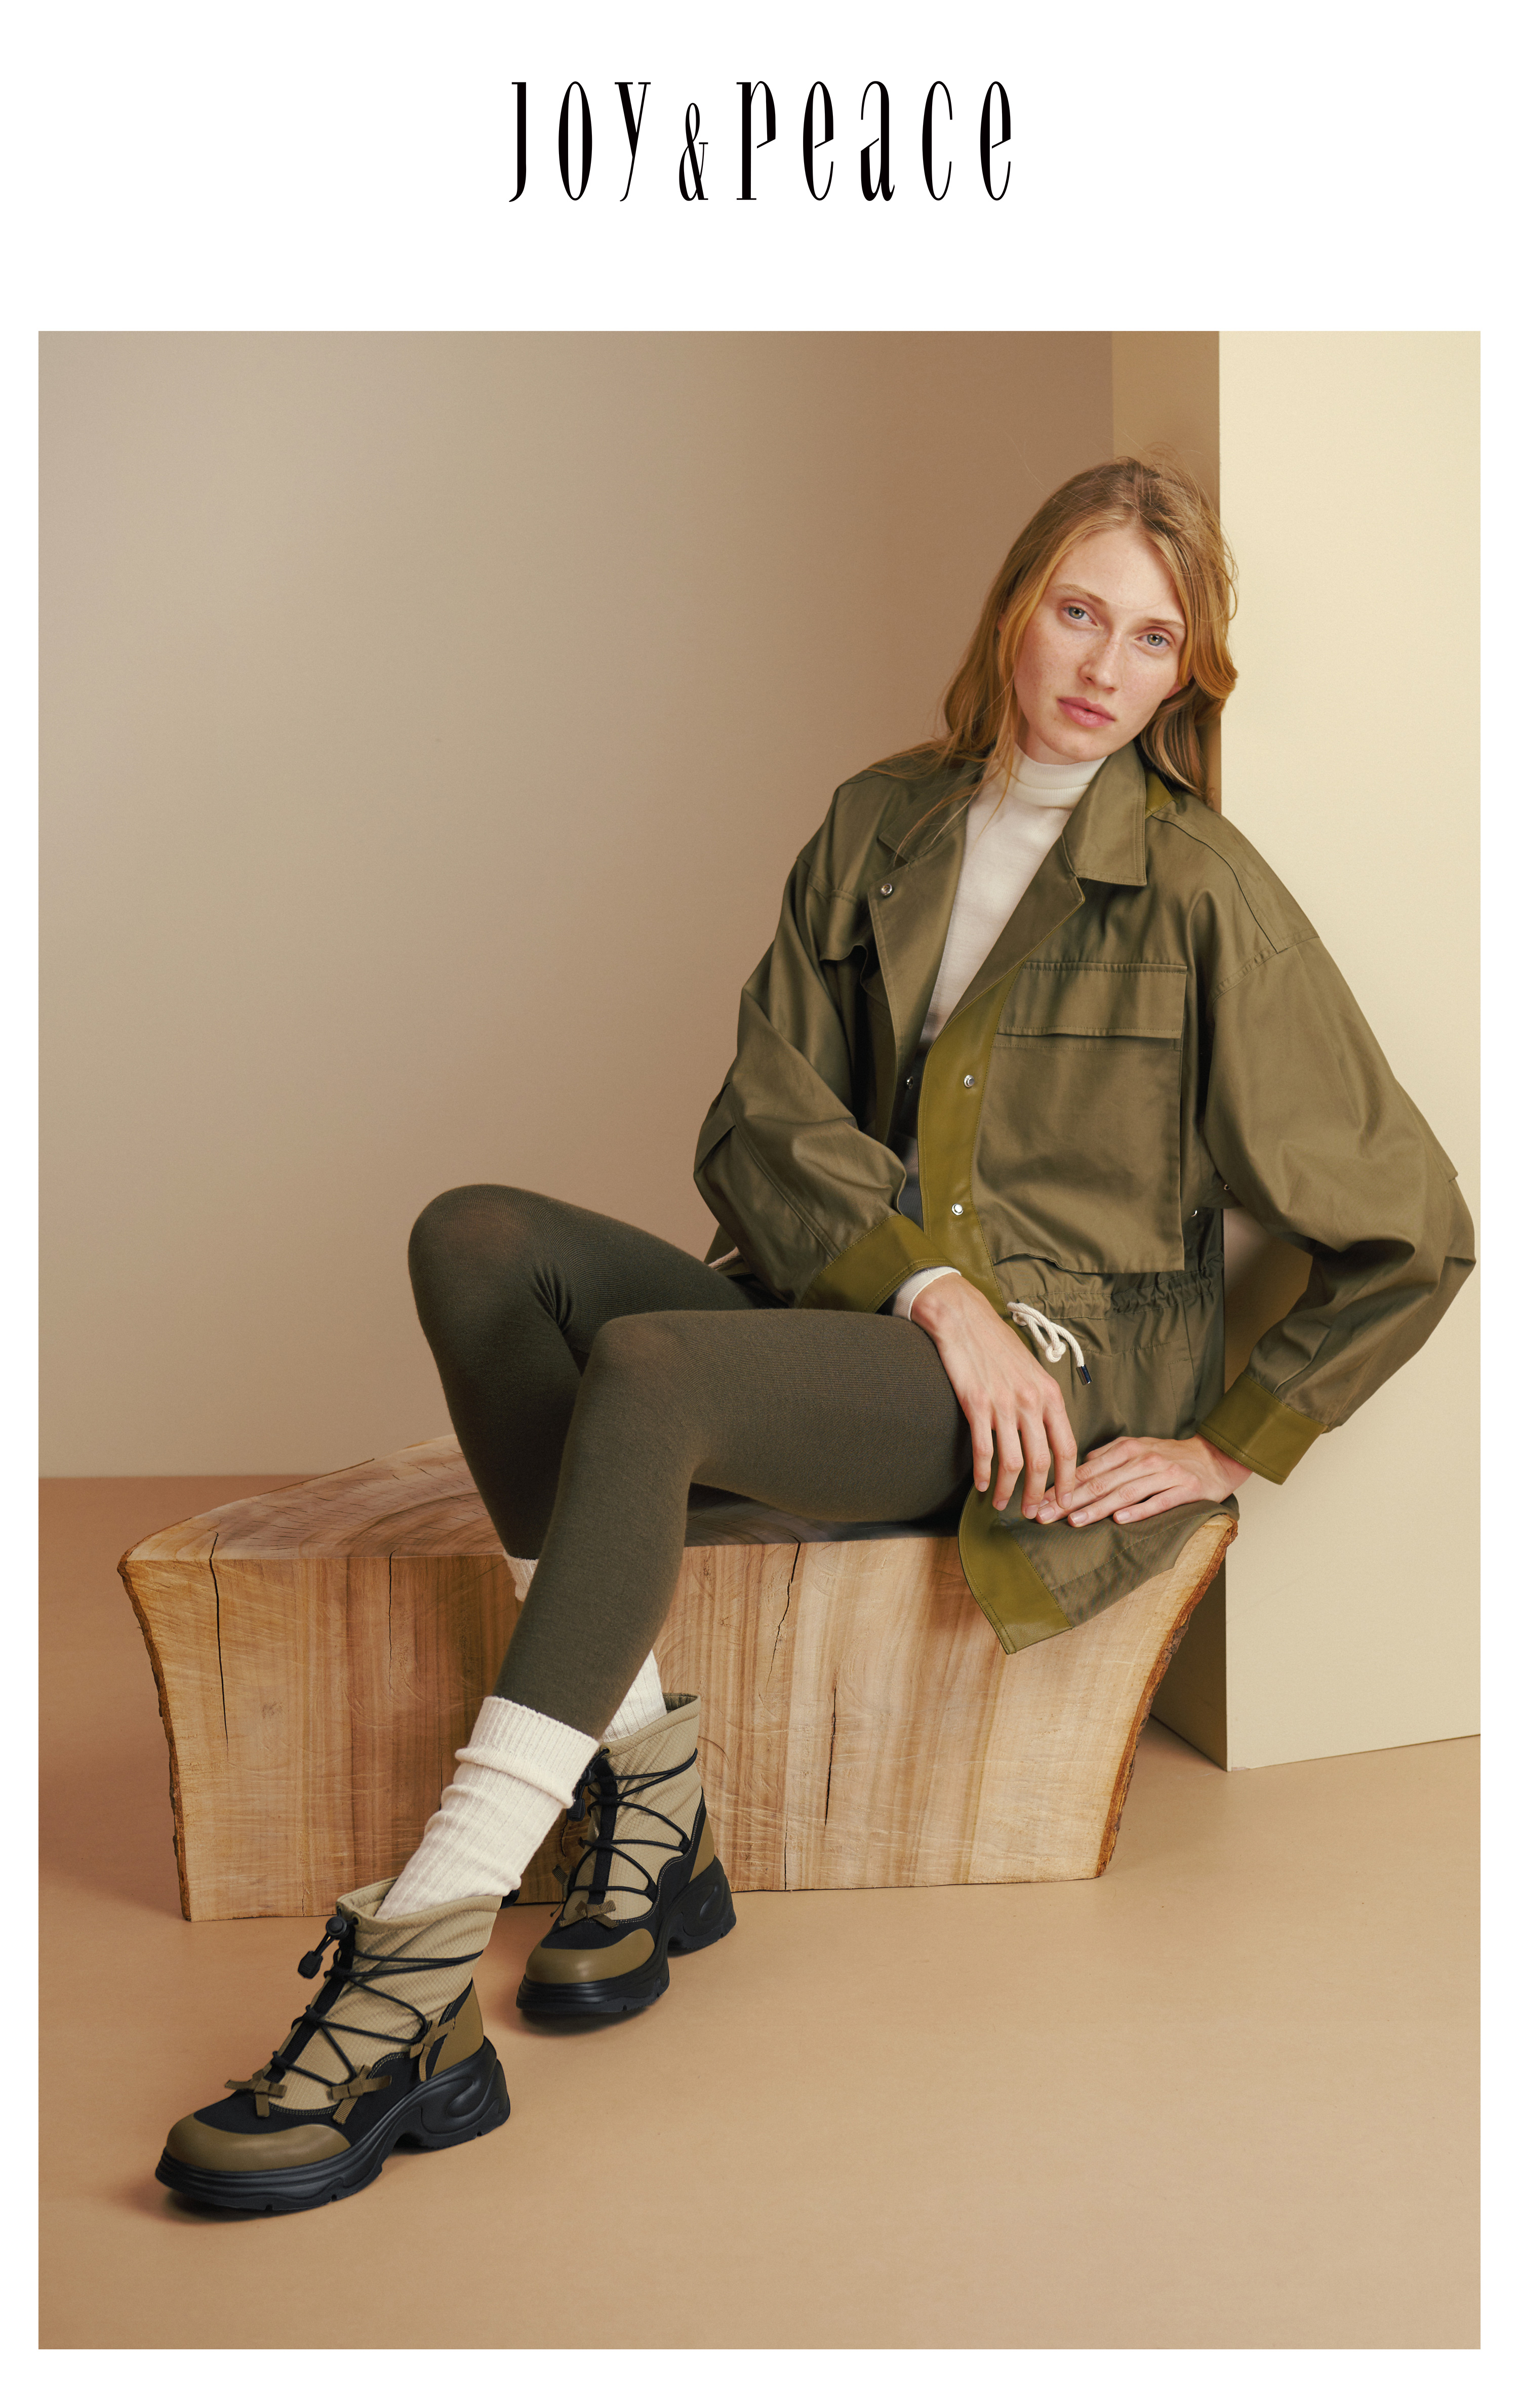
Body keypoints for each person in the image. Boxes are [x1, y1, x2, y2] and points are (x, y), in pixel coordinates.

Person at [155, 457, 1474, 2214]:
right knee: (474, 1240)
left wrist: (1230, 1443)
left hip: (1041, 1396)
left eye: (1154, 639)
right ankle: (653, 1802)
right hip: (868, 1324)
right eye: (1079, 611)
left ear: (1187, 674)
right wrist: (933, 1292)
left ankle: (418, 1963)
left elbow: (1417, 1227)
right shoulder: (878, 825)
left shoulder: (1204, 894)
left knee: (647, 1369)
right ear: (1016, 611)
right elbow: (757, 1118)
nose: (1105, 665)